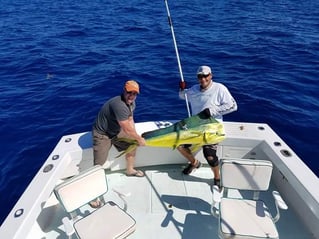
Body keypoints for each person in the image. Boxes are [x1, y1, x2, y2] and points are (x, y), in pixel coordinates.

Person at [178, 65, 237, 189]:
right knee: (180, 145)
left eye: (205, 75)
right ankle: (194, 163)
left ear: (211, 75)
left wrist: (213, 111)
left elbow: (233, 106)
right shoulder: (194, 90)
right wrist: (181, 89)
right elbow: (183, 96)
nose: (203, 79)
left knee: (209, 155)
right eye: (200, 76)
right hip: (196, 128)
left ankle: (217, 177)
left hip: (212, 129)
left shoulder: (220, 88)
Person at [92, 80, 146, 177]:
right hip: (103, 135)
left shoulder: (132, 103)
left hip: (116, 130)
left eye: (134, 94)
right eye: (129, 92)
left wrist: (135, 137)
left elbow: (130, 120)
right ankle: (94, 178)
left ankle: (130, 170)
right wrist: (139, 138)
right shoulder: (119, 105)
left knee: (132, 145)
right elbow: (126, 128)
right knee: (99, 163)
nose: (131, 96)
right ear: (124, 90)